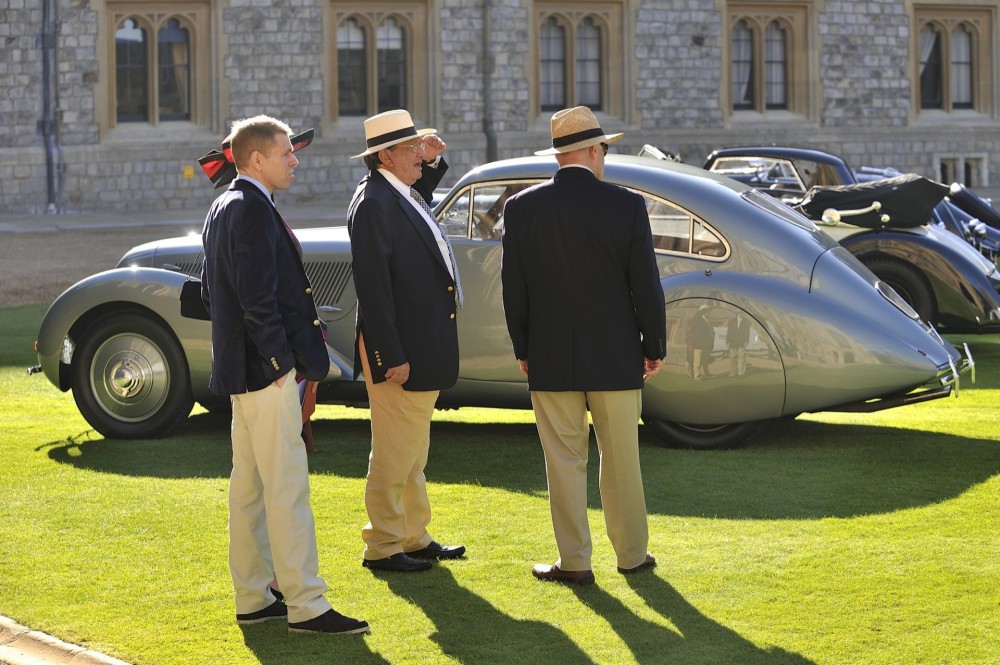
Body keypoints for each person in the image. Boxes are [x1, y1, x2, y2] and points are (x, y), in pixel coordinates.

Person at [200, 115, 369, 635]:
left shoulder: (228, 204)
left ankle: (254, 596)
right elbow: (256, 300)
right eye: (285, 153)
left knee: (249, 488)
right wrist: (281, 367)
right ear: (255, 160)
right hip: (265, 376)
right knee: (285, 488)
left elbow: (216, 292)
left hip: (247, 374)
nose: (294, 160)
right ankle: (306, 604)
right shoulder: (248, 207)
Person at [501, 105, 666, 585]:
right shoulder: (627, 205)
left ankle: (574, 562)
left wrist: (524, 347)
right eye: (605, 149)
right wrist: (653, 344)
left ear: (560, 155)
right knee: (622, 462)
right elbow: (646, 287)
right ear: (593, 151)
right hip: (616, 355)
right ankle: (632, 556)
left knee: (563, 463)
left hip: (549, 354)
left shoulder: (522, 207)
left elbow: (515, 290)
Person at [347, 109, 466, 573]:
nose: (421, 152)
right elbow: (373, 287)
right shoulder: (374, 202)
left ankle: (413, 536)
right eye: (413, 148)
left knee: (412, 449)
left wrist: (430, 164)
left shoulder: (395, 192)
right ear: (386, 155)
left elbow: (416, 208)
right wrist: (389, 354)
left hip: (419, 343)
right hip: (401, 350)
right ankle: (383, 544)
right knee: (396, 450)